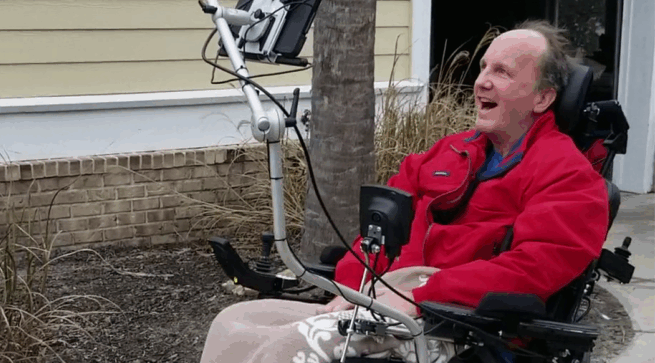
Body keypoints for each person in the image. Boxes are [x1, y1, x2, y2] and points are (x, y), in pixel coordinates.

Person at [199, 20, 609, 363]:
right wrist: (359, 289)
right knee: (235, 323)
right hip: (384, 298)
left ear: (543, 97)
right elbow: (376, 236)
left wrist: (421, 294)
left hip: (461, 324)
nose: (481, 81)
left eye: (502, 72)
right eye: (484, 67)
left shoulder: (570, 178)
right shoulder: (444, 154)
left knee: (290, 349)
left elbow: (530, 272)